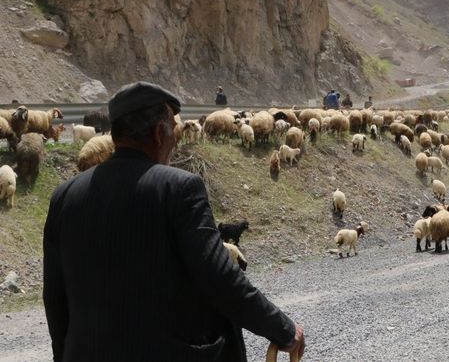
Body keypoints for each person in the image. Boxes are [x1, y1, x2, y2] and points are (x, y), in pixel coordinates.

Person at [43, 81, 304, 362]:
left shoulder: (65, 196)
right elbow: (219, 278)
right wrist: (283, 330)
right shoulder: (179, 188)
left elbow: (54, 298)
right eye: (173, 132)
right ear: (159, 134)